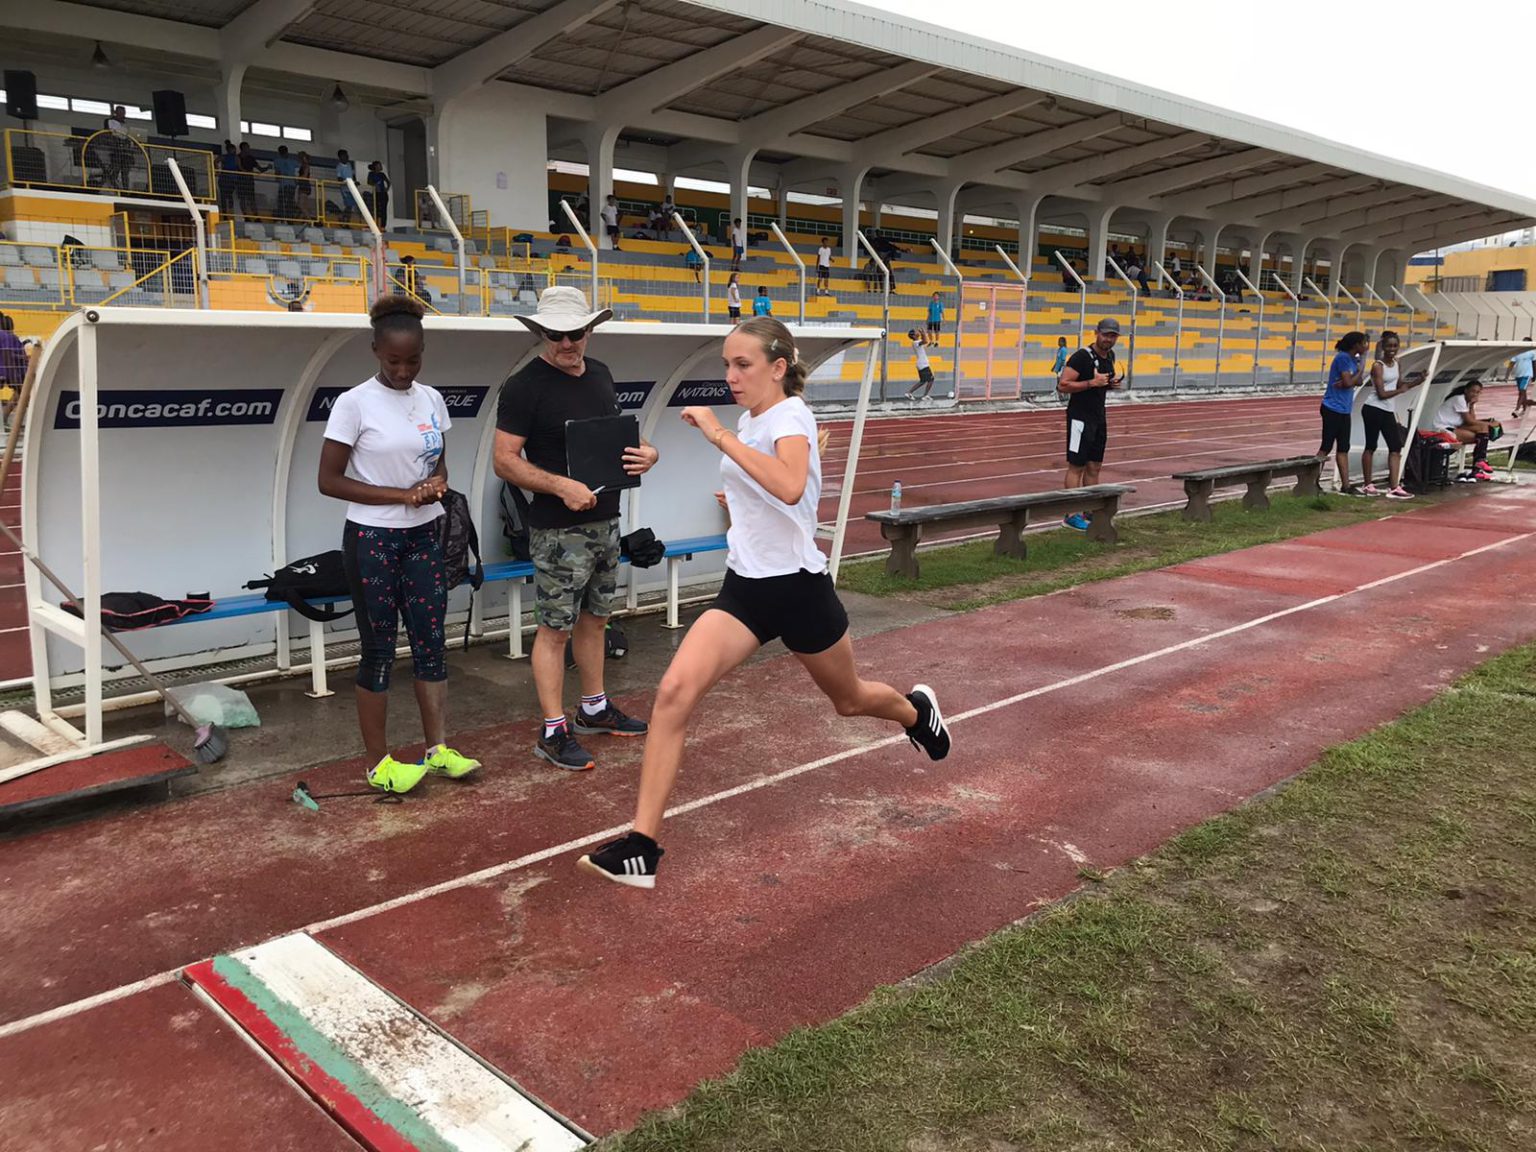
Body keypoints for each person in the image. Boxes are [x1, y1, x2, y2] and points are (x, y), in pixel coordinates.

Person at [575, 317, 951, 888]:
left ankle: (916, 712)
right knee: (674, 693)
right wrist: (735, 495)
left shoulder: (790, 414)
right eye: (726, 364)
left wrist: (718, 436)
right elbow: (770, 488)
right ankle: (642, 847)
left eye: (742, 364)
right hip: (747, 588)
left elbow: (791, 486)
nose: (730, 375)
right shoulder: (753, 420)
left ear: (778, 368)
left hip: (798, 589)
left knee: (849, 701)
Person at [316, 295, 481, 793]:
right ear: (375, 351)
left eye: (413, 360)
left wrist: (434, 485)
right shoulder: (354, 403)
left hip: (424, 534)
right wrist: (400, 496)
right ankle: (379, 765)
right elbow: (328, 480)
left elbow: (439, 461)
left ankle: (437, 750)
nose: (404, 371)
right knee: (379, 650)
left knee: (432, 644)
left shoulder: (431, 399)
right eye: (393, 361)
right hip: (372, 539)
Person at [493, 286, 660, 771]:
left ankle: (593, 708)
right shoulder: (524, 386)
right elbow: (504, 460)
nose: (566, 343)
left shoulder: (601, 373)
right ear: (541, 333)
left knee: (596, 620)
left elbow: (618, 433)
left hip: (606, 520)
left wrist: (650, 452)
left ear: (590, 329)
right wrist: (560, 486)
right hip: (557, 530)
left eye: (575, 333)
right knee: (554, 630)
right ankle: (552, 731)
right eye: (555, 334)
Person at [1057, 318, 1123, 530]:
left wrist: (1109, 385)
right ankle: (1071, 514)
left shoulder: (1110, 356)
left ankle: (1090, 509)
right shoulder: (1082, 357)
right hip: (1079, 417)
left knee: (1094, 466)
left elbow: (1101, 384)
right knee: (1076, 465)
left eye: (1113, 336)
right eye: (1105, 335)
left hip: (1098, 417)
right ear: (1097, 333)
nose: (1108, 340)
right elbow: (1063, 385)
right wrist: (1091, 383)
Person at [1360, 331, 1425, 500]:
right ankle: (1367, 484)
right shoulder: (1378, 366)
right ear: (1383, 347)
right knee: (1371, 445)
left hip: (1388, 410)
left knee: (1395, 447)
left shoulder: (1397, 363)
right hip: (1373, 408)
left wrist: (1417, 381)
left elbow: (1399, 384)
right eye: (1389, 346)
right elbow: (1382, 393)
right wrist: (1400, 390)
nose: (1392, 349)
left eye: (1395, 346)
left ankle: (1394, 486)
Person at [1320, 331, 1368, 494]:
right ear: (1355, 344)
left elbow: (1357, 381)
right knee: (1326, 446)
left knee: (1343, 447)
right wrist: (1359, 372)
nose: (1365, 346)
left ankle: (1346, 485)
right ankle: (1312, 480)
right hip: (1332, 407)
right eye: (1363, 343)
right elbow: (1349, 382)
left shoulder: (1353, 359)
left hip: (1344, 409)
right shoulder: (1343, 358)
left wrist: (1355, 374)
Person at [1432, 382, 1496, 483]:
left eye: (1478, 392)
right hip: (1443, 428)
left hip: (1455, 427)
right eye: (1473, 391)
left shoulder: (1468, 402)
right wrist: (1489, 424)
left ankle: (1479, 465)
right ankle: (1478, 466)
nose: (1475, 394)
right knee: (1481, 435)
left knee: (1482, 433)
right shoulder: (1459, 399)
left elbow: (1472, 419)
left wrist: (1472, 406)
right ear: (1466, 391)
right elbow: (1469, 421)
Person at [0, 314, 25, 431]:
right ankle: (4, 419)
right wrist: (12, 376)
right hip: (7, 371)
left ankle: (4, 419)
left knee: (19, 393)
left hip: (6, 371)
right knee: (21, 393)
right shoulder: (7, 337)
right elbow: (7, 354)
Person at [236, 142, 265, 218]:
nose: (249, 149)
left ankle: (256, 215)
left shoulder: (251, 158)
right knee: (243, 198)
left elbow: (260, 169)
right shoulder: (238, 157)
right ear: (243, 148)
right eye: (247, 147)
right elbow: (240, 168)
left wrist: (267, 167)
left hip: (249, 181)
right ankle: (245, 216)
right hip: (241, 180)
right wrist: (248, 173)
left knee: (251, 198)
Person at [1508, 337, 1535, 418]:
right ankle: (1525, 409)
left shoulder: (1532, 352)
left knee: (1522, 391)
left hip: (1527, 375)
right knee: (1522, 392)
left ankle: (1516, 410)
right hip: (1518, 375)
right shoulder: (1517, 352)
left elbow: (1534, 364)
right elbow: (1511, 363)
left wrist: (1534, 375)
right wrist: (1507, 374)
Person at [905, 329, 935, 401]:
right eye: (916, 332)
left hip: (922, 363)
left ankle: (909, 393)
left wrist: (923, 334)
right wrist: (923, 333)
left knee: (923, 381)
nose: (917, 332)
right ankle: (924, 395)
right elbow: (925, 341)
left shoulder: (916, 342)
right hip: (923, 364)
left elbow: (924, 340)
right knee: (931, 379)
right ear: (913, 336)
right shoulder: (916, 342)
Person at [273, 145, 300, 219]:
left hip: (286, 184)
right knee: (288, 201)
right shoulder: (292, 161)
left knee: (284, 201)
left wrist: (277, 177)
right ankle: (287, 217)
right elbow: (297, 171)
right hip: (288, 184)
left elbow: (277, 172)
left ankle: (284, 217)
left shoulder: (277, 161)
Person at [216, 140, 240, 219]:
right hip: (226, 177)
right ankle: (225, 214)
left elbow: (239, 167)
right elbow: (216, 161)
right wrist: (217, 170)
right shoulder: (226, 157)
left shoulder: (235, 157)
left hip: (231, 178)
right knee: (224, 196)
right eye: (233, 149)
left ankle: (227, 212)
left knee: (227, 195)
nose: (234, 151)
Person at [334, 149, 355, 222]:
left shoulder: (349, 165)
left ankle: (346, 221)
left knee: (351, 206)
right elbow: (339, 178)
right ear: (340, 157)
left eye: (347, 155)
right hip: (345, 189)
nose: (347, 157)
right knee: (349, 205)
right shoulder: (339, 167)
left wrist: (355, 182)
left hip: (352, 188)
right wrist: (347, 181)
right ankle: (343, 219)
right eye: (345, 155)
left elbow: (353, 175)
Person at [367, 161, 391, 227]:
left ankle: (383, 225)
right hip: (376, 194)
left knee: (383, 210)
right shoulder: (371, 174)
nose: (380, 166)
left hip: (383, 194)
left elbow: (388, 182)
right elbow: (369, 182)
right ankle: (376, 224)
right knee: (376, 210)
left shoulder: (382, 174)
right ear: (375, 166)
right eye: (379, 165)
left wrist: (387, 188)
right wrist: (375, 185)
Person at [296, 151, 314, 220]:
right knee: (303, 205)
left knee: (301, 205)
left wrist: (297, 178)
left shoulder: (306, 165)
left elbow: (305, 176)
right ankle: (305, 219)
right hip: (302, 186)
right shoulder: (303, 165)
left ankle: (309, 220)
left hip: (304, 186)